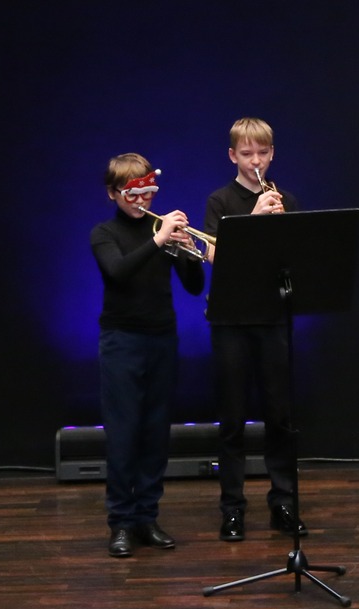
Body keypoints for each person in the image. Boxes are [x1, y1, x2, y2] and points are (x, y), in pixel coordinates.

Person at [91, 154, 206, 558]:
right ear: (113, 194)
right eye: (132, 194)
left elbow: (194, 286)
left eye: (148, 192)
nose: (141, 201)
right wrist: (159, 241)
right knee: (124, 434)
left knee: (156, 433)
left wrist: (186, 249)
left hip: (162, 339)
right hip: (121, 341)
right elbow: (118, 272)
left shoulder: (162, 229)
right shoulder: (104, 233)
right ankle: (121, 522)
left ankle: (147, 517)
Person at [203, 117, 303, 543]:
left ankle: (284, 502)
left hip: (272, 317)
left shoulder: (285, 199)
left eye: (262, 153)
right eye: (247, 154)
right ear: (233, 156)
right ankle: (232, 508)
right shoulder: (220, 200)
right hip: (230, 320)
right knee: (232, 419)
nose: (255, 161)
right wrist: (253, 217)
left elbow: (296, 257)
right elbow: (213, 255)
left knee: (280, 416)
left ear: (272, 153)